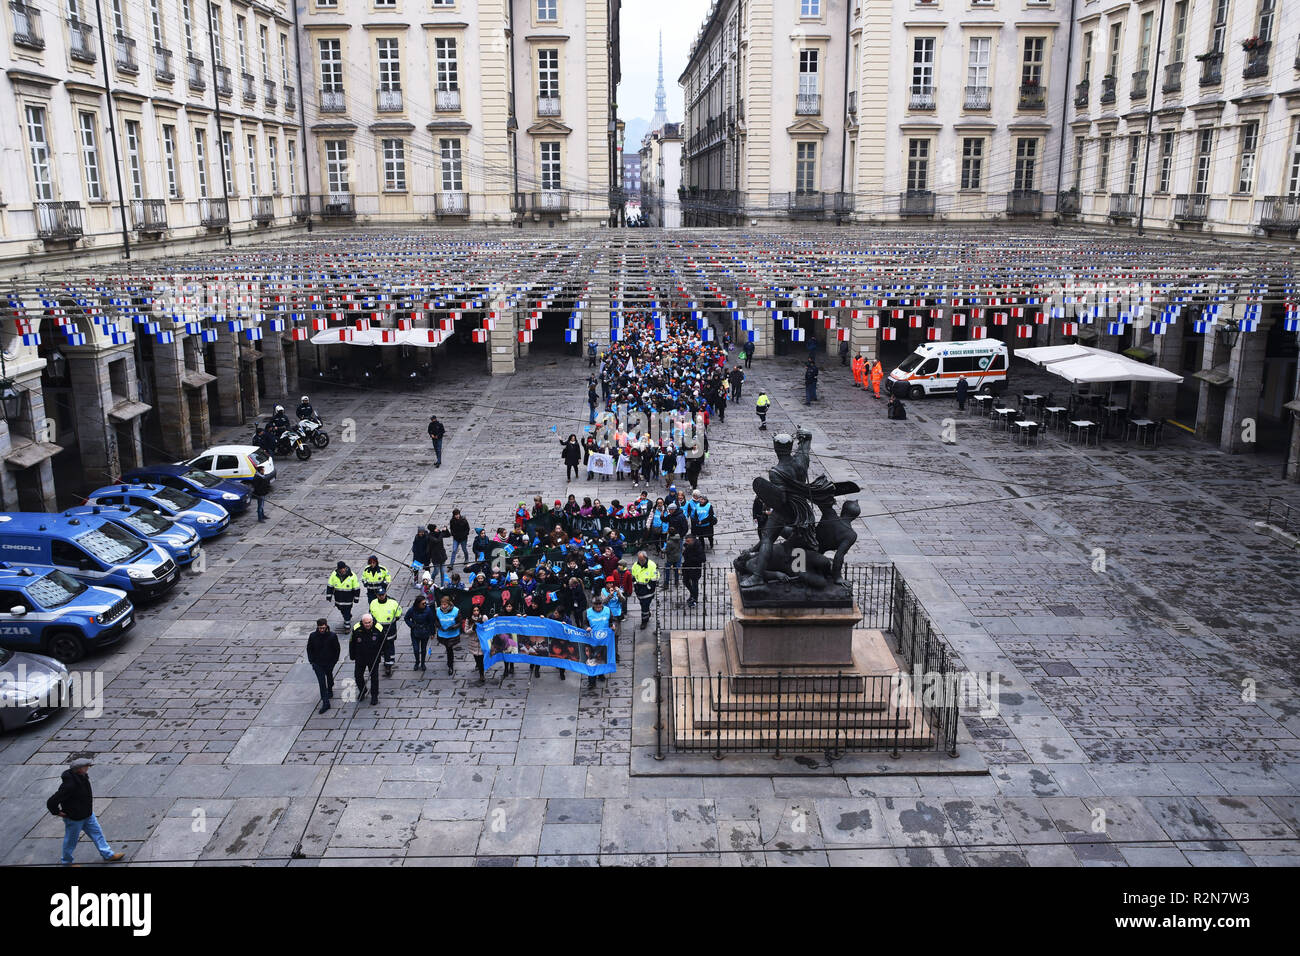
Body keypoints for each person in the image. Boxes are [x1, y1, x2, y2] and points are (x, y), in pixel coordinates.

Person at [47, 757, 124, 865]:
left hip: (88, 814)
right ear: (79, 769)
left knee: (98, 834)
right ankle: (67, 862)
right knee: (71, 841)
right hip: (75, 818)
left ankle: (108, 854)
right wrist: (56, 811)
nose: (88, 768)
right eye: (86, 767)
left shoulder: (82, 777)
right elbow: (52, 801)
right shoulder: (69, 785)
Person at [349, 614, 384, 706]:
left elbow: (384, 643)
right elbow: (352, 643)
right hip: (360, 657)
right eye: (365, 623)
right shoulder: (356, 628)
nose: (367, 625)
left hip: (373, 657)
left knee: (374, 678)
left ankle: (374, 696)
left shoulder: (378, 628)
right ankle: (363, 690)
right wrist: (352, 655)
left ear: (372, 621)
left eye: (369, 623)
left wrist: (383, 654)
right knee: (358, 676)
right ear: (362, 622)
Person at [369, 587, 403, 677]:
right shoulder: (373, 603)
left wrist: (392, 621)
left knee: (389, 647)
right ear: (376, 595)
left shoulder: (393, 603)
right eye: (379, 595)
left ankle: (388, 665)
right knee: (381, 648)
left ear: (385, 594)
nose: (381, 596)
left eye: (383, 594)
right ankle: (386, 660)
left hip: (389, 630)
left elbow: (398, 614)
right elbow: (371, 615)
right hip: (378, 630)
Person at [307, 618, 339, 713]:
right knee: (321, 682)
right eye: (320, 628)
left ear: (326, 626)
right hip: (318, 663)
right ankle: (326, 702)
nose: (321, 630)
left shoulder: (332, 636)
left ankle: (330, 688)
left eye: (323, 628)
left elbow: (337, 649)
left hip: (329, 662)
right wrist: (312, 661)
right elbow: (309, 649)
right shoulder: (313, 636)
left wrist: (334, 661)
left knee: (329, 676)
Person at [584, 595, 612, 691]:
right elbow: (584, 623)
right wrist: (586, 627)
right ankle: (591, 682)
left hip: (604, 641)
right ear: (593, 605)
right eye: (597, 607)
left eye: (600, 606)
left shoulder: (608, 610)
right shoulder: (587, 612)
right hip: (592, 642)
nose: (599, 609)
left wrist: (612, 625)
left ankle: (601, 674)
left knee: (601, 659)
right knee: (592, 662)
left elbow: (612, 621)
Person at [326, 562, 360, 630]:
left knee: (347, 610)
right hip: (339, 598)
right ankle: (347, 616)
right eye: (341, 569)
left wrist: (356, 598)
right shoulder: (334, 574)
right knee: (341, 609)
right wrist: (329, 596)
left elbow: (356, 588)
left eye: (343, 568)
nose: (342, 570)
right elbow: (330, 585)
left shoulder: (352, 575)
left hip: (348, 598)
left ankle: (347, 626)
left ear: (345, 567)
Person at [630, 550, 658, 630]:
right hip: (639, 589)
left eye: (642, 560)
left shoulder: (652, 565)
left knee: (645, 606)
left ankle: (644, 621)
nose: (640, 561)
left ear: (646, 558)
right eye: (639, 559)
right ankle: (647, 613)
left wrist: (649, 587)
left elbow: (655, 577)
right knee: (643, 604)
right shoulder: (635, 565)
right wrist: (635, 584)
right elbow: (633, 576)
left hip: (648, 590)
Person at [434, 594, 462, 675]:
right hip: (442, 634)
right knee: (447, 647)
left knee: (449, 649)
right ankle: (449, 661)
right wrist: (439, 626)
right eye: (442, 604)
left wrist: (453, 627)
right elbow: (435, 620)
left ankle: (450, 666)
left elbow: (460, 622)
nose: (443, 606)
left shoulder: (456, 610)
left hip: (452, 634)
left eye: (445, 604)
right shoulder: (437, 610)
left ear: (449, 603)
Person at [406, 593, 433, 671]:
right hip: (415, 632)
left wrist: (432, 633)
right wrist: (412, 625)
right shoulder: (412, 610)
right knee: (416, 649)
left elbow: (431, 621)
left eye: (425, 603)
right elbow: (406, 618)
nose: (425, 604)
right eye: (423, 603)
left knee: (423, 649)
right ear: (418, 604)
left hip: (425, 632)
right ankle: (417, 662)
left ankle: (423, 663)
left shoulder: (428, 610)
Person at [682, 533, 706, 607]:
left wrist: (690, 558)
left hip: (695, 569)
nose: (686, 542)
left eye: (688, 541)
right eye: (686, 541)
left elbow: (703, 559)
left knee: (694, 584)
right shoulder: (687, 545)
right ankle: (692, 594)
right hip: (687, 568)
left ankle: (694, 599)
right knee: (685, 581)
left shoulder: (698, 547)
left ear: (693, 541)